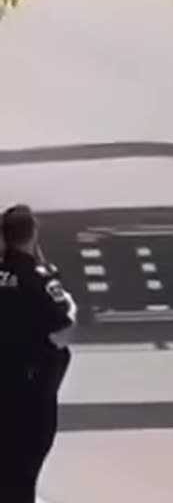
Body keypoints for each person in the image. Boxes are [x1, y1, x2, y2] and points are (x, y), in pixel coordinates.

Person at [0, 204, 76, 503]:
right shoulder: (38, 278)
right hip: (30, 389)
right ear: (33, 235)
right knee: (24, 465)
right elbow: (64, 327)